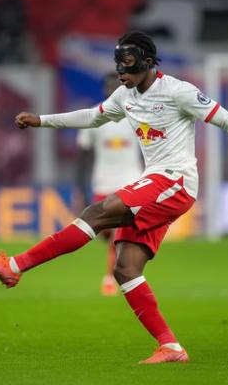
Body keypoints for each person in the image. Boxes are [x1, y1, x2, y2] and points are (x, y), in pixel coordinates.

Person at [0, 31, 228, 364]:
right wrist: (41, 121)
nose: (121, 71)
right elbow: (92, 116)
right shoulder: (125, 96)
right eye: (117, 64)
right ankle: (171, 347)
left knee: (96, 212)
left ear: (147, 62)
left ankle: (15, 266)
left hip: (175, 181)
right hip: (156, 183)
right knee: (125, 268)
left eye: (127, 63)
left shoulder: (178, 91)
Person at [75, 72, 143, 296]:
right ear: (104, 89)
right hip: (102, 183)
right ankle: (114, 261)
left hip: (130, 181)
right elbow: (82, 156)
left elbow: (148, 148)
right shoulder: (94, 117)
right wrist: (80, 188)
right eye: (109, 85)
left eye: (118, 85)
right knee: (104, 233)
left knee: (117, 233)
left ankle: (109, 278)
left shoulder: (136, 114)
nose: (113, 89)